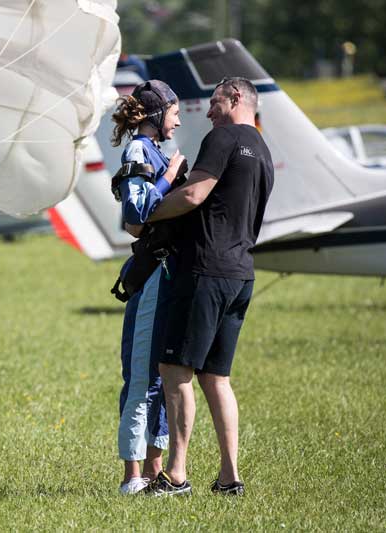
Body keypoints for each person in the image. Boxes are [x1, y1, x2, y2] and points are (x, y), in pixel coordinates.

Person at [142, 77, 274, 496]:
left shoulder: (224, 137)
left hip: (205, 271)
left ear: (236, 98)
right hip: (241, 273)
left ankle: (176, 475)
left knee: (174, 369)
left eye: (215, 102)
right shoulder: (263, 150)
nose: (209, 111)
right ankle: (229, 477)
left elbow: (195, 193)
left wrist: (149, 213)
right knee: (216, 376)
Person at [109, 80, 187, 495]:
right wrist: (171, 176)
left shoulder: (155, 149)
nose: (178, 118)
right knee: (141, 375)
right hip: (153, 273)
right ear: (157, 114)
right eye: (173, 111)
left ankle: (156, 471)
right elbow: (136, 213)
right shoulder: (139, 150)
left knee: (160, 375)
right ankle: (131, 477)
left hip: (170, 275)